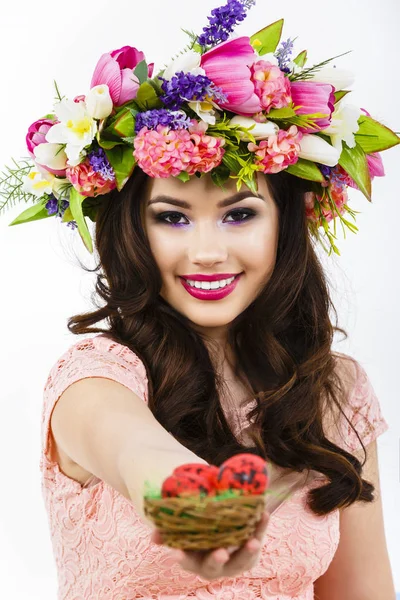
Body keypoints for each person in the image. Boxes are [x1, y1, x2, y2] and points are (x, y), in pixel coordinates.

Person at [1, 0, 398, 597]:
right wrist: (190, 502)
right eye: (173, 218)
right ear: (135, 231)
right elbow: (133, 449)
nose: (208, 252)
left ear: (285, 226)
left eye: (239, 214)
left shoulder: (334, 390)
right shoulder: (94, 378)